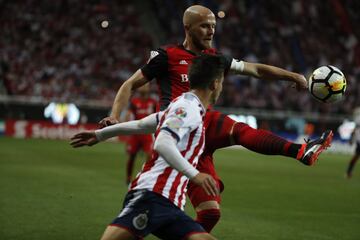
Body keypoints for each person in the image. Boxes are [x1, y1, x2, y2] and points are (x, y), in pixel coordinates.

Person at [99, 5, 333, 232]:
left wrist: (293, 76)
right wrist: (114, 116)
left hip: (200, 140)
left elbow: (256, 70)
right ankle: (300, 151)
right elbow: (130, 84)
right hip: (180, 130)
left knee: (210, 213)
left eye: (213, 26)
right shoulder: (166, 56)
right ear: (187, 27)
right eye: (204, 26)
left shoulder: (215, 58)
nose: (211, 31)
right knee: (237, 129)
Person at [71, 54, 225, 240]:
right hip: (153, 196)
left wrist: (100, 135)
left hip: (170, 204)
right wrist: (195, 175)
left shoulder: (182, 105)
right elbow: (162, 142)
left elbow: (142, 124)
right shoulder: (188, 108)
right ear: (215, 84)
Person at [124, 83, 157, 184]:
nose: (143, 87)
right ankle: (128, 178)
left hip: (148, 133)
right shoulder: (134, 101)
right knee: (132, 156)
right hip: (136, 132)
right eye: (142, 85)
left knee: (150, 156)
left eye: (146, 86)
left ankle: (144, 177)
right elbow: (128, 114)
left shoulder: (153, 102)